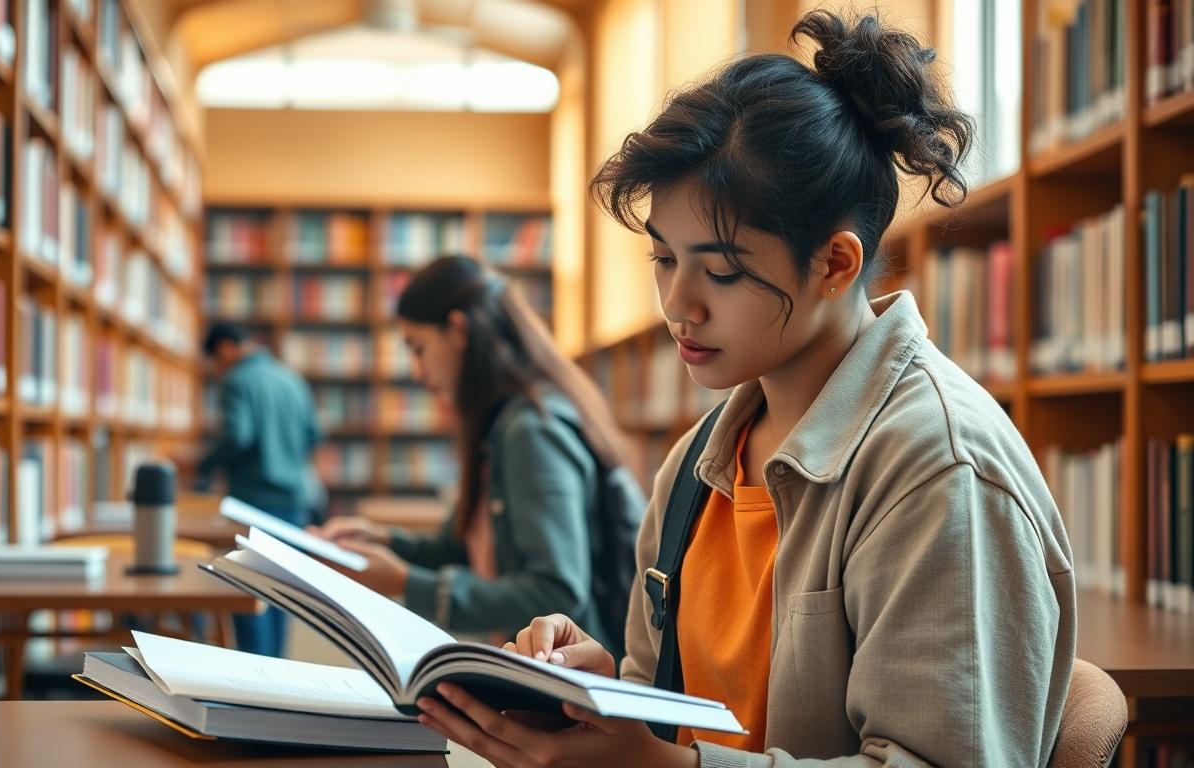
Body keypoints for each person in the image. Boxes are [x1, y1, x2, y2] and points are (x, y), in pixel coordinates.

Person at [410, 11, 1076, 768]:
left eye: (720, 270)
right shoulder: (699, 462)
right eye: (664, 259)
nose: (678, 303)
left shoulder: (937, 474)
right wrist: (600, 700)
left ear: (833, 264)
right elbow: (665, 708)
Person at [312, 255, 645, 651]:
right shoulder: (501, 428)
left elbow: (557, 590)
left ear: (458, 330)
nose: (417, 372)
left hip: (570, 684)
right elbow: (459, 550)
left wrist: (404, 582)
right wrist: (382, 541)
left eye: (418, 348)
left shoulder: (531, 432)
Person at [196, 321, 324, 657]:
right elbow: (314, 435)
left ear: (224, 348)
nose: (218, 371)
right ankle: (277, 675)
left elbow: (238, 435)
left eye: (216, 363)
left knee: (249, 596)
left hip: (253, 503)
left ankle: (255, 681)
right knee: (283, 596)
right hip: (296, 502)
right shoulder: (291, 378)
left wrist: (202, 465)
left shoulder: (238, 379)